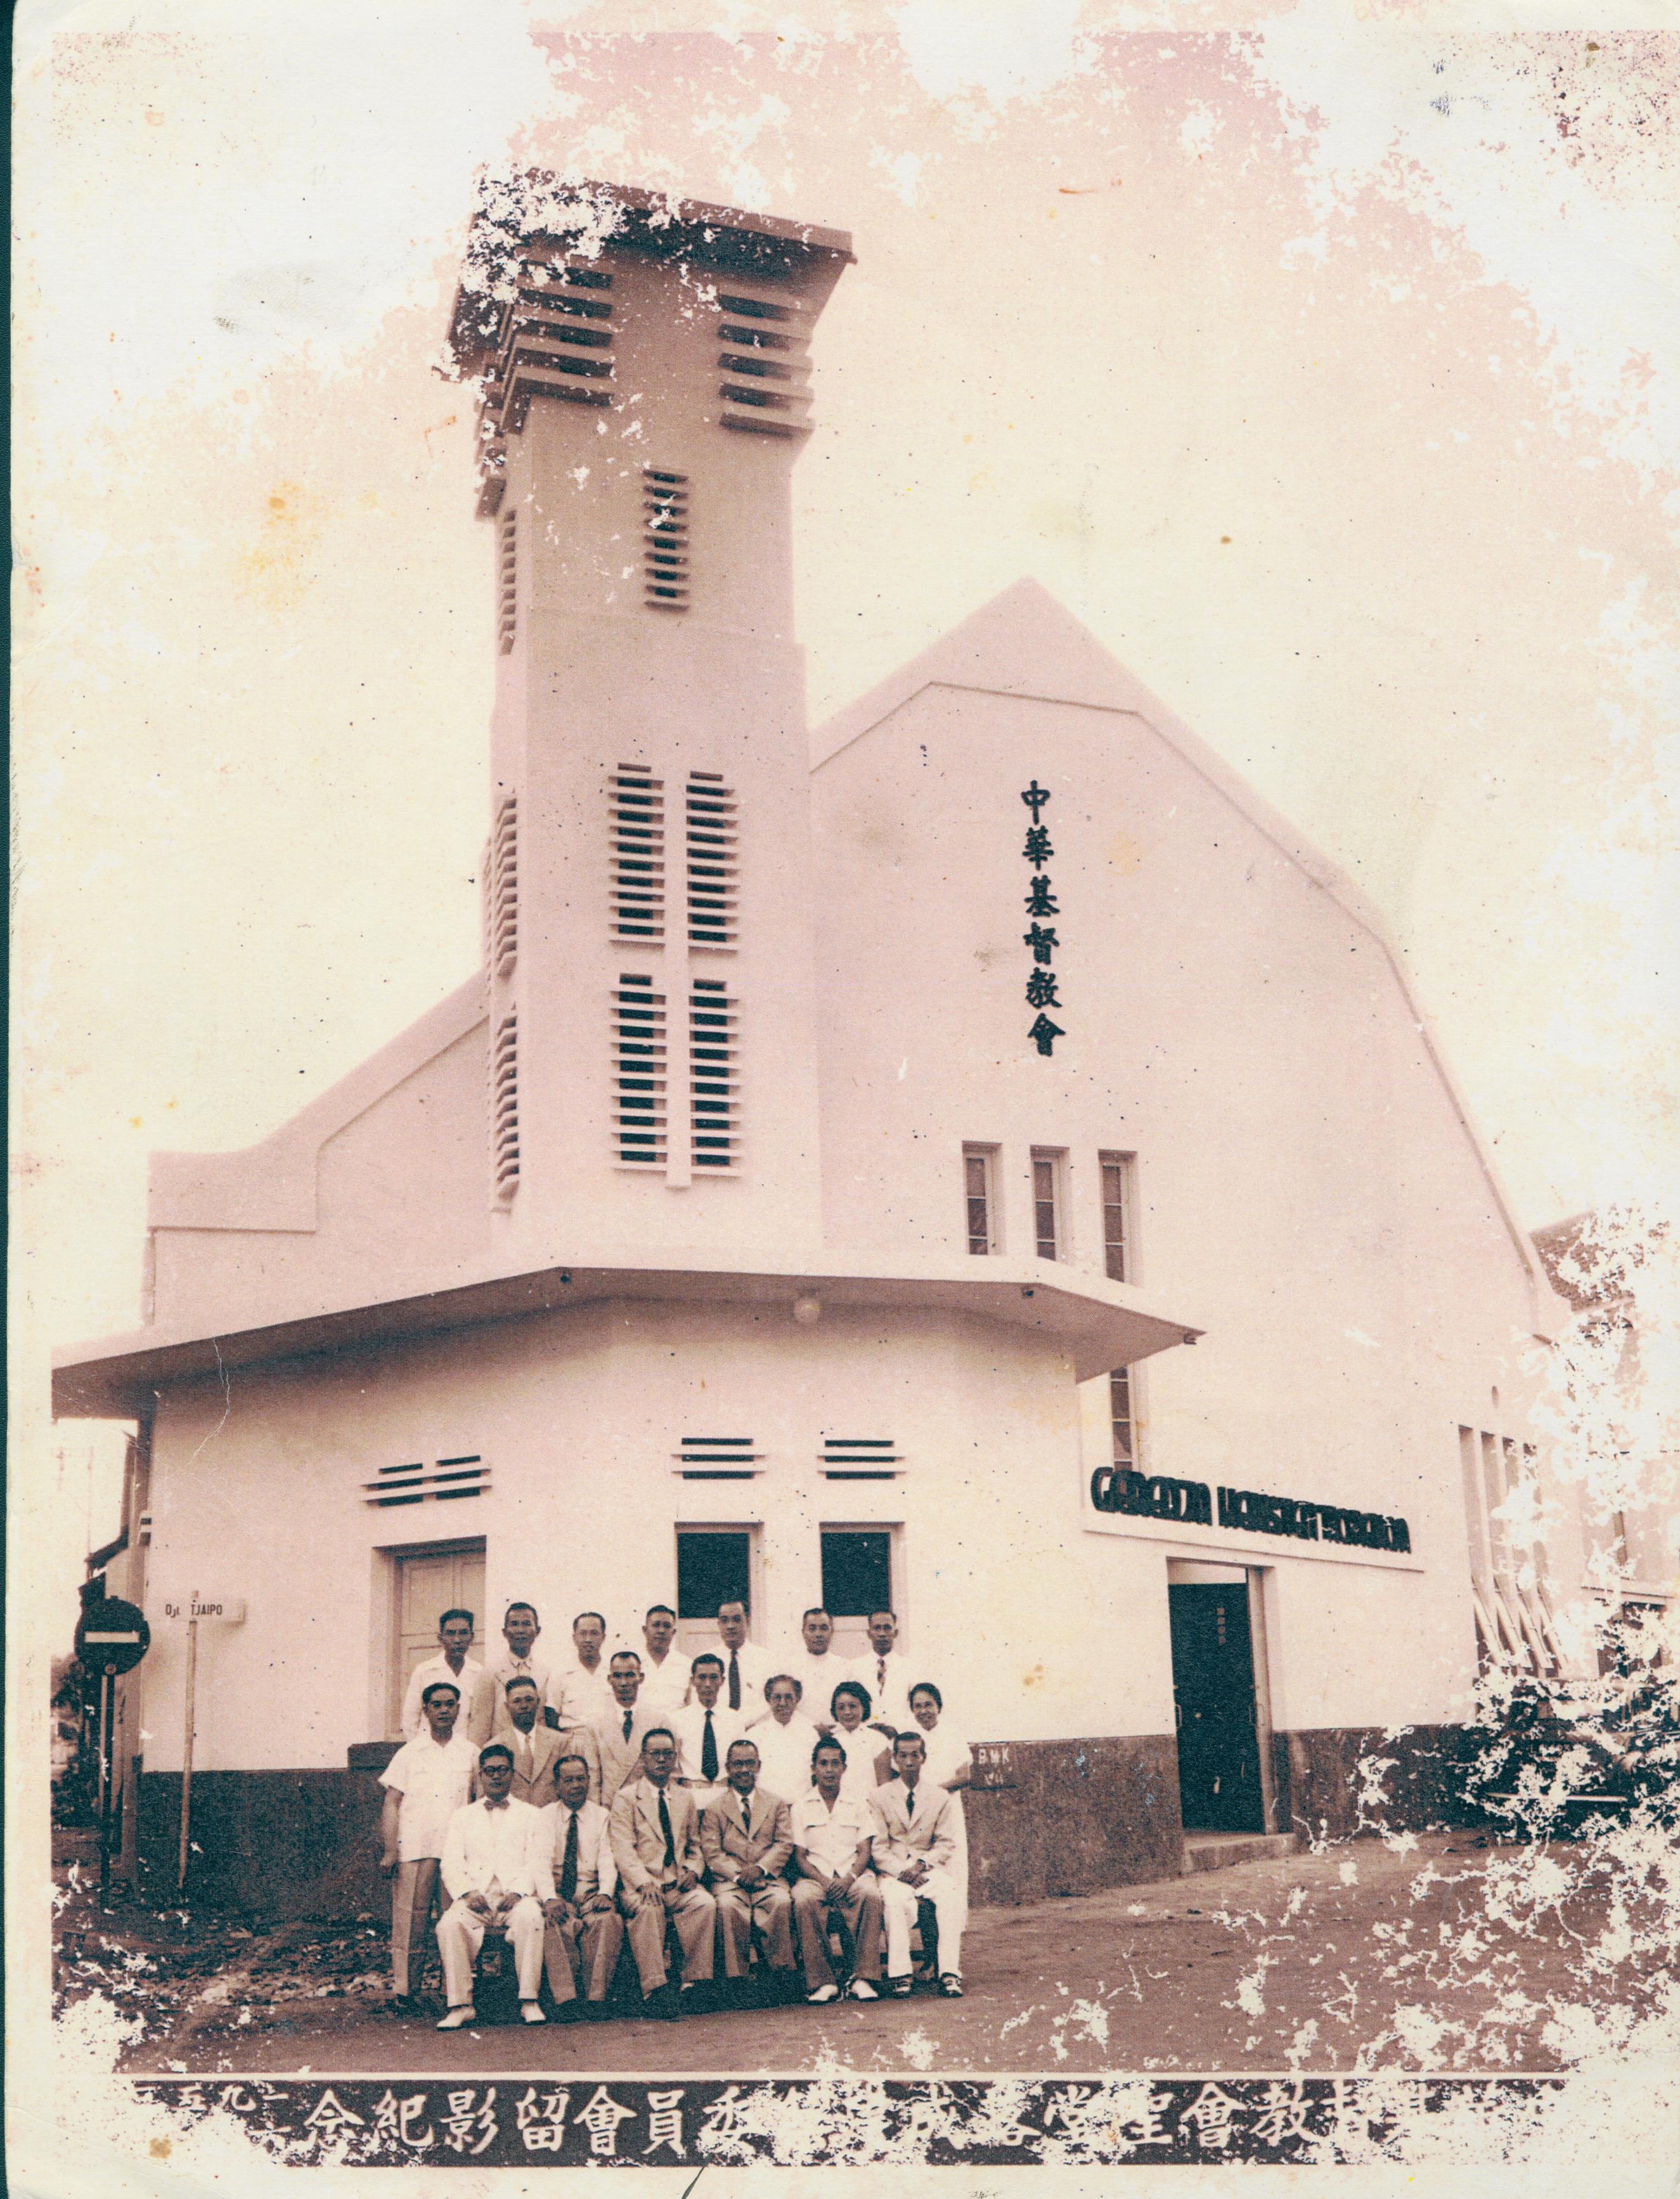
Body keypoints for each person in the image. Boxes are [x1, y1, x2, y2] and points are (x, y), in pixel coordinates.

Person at [434, 1743, 552, 2029]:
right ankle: (461, 2005)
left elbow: (538, 1860)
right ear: (481, 1775)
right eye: (490, 1771)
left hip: (516, 1897)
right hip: (477, 1897)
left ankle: (529, 2001)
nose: (496, 1776)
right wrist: (467, 1892)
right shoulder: (462, 1817)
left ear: (512, 1774)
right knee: (449, 1925)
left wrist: (519, 1892)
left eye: (502, 1770)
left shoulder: (532, 1815)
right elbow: (450, 1862)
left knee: (532, 1917)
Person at [377, 1680, 477, 2006]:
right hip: (415, 1849)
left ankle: (454, 1991)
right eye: (437, 1705)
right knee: (411, 1920)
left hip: (456, 1853)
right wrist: (391, 1850)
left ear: (459, 1709)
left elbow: (479, 1803)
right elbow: (392, 1802)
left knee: (455, 1920)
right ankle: (406, 1991)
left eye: (450, 1704)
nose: (444, 1710)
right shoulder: (409, 1754)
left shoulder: (471, 1752)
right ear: (426, 1710)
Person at [608, 1727, 716, 2019]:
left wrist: (693, 1870)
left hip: (678, 1884)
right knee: (649, 1911)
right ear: (643, 1758)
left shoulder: (684, 1797)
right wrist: (644, 1882)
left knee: (704, 1904)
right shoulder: (626, 1798)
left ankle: (694, 1983)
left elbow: (695, 1844)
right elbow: (623, 1849)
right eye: (655, 1754)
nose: (661, 1760)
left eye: (668, 1754)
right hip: (643, 1885)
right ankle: (655, 1990)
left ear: (675, 1758)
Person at [869, 1729, 966, 1997]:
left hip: (927, 1869)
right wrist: (903, 1871)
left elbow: (946, 1843)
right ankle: (901, 1974)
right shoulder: (879, 1796)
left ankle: (949, 1973)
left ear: (924, 1758)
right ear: (895, 1760)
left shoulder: (939, 1796)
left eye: (915, 1755)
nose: (909, 1762)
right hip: (894, 1871)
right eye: (903, 1756)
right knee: (895, 1902)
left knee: (950, 1896)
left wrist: (921, 1865)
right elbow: (878, 1847)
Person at [700, 1739, 796, 2001]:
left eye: (750, 1764)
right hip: (730, 1882)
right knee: (728, 1906)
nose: (744, 1770)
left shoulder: (775, 1804)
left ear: (759, 1766)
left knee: (779, 1902)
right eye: (738, 1764)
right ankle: (737, 1980)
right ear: (728, 1768)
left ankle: (778, 1976)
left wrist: (761, 1869)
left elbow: (784, 1843)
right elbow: (712, 1851)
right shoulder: (715, 1808)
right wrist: (739, 1875)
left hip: (768, 1879)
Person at [791, 1735, 884, 2002]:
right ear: (814, 1768)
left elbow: (864, 1849)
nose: (829, 1770)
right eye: (823, 1764)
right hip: (815, 1877)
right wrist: (824, 1881)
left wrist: (849, 1879)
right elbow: (800, 1857)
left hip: (852, 1874)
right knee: (804, 1899)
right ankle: (823, 1982)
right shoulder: (801, 1806)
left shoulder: (858, 1803)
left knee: (871, 1895)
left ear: (844, 1768)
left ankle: (863, 1978)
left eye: (835, 1764)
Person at [540, 1752, 623, 2016]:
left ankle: (596, 1998)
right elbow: (539, 1861)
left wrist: (605, 1893)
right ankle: (566, 2000)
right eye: (568, 1780)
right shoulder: (545, 1816)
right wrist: (550, 1898)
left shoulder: (602, 1816)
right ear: (557, 1785)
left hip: (590, 1891)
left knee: (607, 1921)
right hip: (558, 1892)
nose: (576, 1785)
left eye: (581, 1779)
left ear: (589, 1780)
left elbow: (608, 1858)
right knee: (553, 1924)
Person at [671, 1652, 746, 1817]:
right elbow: (672, 1767)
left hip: (726, 1798)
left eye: (713, 1678)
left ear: (722, 1681)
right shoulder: (677, 1720)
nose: (707, 1684)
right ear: (692, 1681)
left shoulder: (735, 1719)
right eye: (702, 1677)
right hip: (691, 1798)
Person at [587, 1650, 662, 1809]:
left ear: (641, 1678)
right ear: (609, 1679)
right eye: (617, 1676)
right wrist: (597, 1815)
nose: (623, 1683)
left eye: (630, 1675)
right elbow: (592, 1779)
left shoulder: (658, 1722)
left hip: (648, 1807)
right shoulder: (595, 1725)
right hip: (610, 1808)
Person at [471, 1601, 552, 1742]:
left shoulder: (546, 1673)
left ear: (537, 1631)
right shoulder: (490, 1673)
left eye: (526, 1624)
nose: (520, 1630)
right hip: (502, 1750)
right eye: (514, 1624)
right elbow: (480, 1724)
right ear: (504, 1632)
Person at [399, 1609, 485, 1741]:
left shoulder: (480, 1673)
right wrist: (422, 1749)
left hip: (466, 1749)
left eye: (463, 1633)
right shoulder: (424, 1671)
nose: (457, 1640)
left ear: (472, 1637)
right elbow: (409, 1720)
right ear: (441, 1638)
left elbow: (481, 1721)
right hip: (429, 1749)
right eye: (450, 1633)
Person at [842, 1610, 922, 1739]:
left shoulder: (911, 1668)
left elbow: (917, 1707)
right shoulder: (854, 1668)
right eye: (877, 1628)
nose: (882, 1634)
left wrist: (897, 1729)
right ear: (869, 1633)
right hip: (864, 1737)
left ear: (896, 1633)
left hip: (899, 1738)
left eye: (887, 1628)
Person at [746, 1674, 823, 1800]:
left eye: (789, 1697)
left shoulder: (810, 1734)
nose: (783, 1703)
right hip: (766, 1806)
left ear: (797, 1700)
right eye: (777, 1697)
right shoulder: (754, 1736)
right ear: (769, 1700)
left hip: (801, 1806)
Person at [500, 1676, 567, 1806]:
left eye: (529, 1700)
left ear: (538, 1702)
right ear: (507, 1706)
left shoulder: (560, 1742)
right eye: (517, 1701)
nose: (524, 1706)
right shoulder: (496, 1745)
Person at [545, 1612, 614, 1729]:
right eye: (582, 1634)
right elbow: (552, 1716)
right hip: (573, 1737)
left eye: (594, 1633)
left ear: (603, 1637)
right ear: (574, 1638)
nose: (588, 1640)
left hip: (609, 1737)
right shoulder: (560, 1674)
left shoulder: (614, 1671)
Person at [710, 1599, 777, 1718]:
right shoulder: (708, 1660)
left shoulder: (767, 1660)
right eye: (725, 1621)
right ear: (719, 1624)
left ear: (747, 1621)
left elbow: (769, 1701)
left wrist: (741, 1723)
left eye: (737, 1620)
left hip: (755, 1726)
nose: (730, 1626)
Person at [829, 1682, 893, 1801]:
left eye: (853, 1706)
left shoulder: (877, 1739)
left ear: (864, 1707)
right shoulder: (830, 1740)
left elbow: (884, 1786)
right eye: (841, 1708)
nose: (847, 1712)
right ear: (835, 1710)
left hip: (870, 1805)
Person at [790, 1608, 844, 1732]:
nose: (818, 1634)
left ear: (832, 1631)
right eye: (812, 1629)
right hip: (801, 1733)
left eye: (824, 1628)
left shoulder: (845, 1667)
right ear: (803, 1633)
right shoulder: (790, 1667)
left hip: (837, 1733)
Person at [638, 1604, 694, 1717]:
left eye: (667, 1626)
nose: (661, 1631)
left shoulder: (687, 1665)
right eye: (656, 1625)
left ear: (673, 1632)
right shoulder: (633, 1663)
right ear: (645, 1630)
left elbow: (691, 1706)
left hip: (675, 1726)